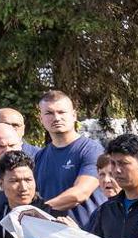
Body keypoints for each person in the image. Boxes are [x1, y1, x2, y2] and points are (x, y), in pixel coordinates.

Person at [32, 91, 106, 228]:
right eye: (49, 113)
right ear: (41, 118)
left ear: (74, 116)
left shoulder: (91, 150)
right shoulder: (40, 156)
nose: (56, 118)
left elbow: (80, 193)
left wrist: (39, 211)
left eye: (61, 112)